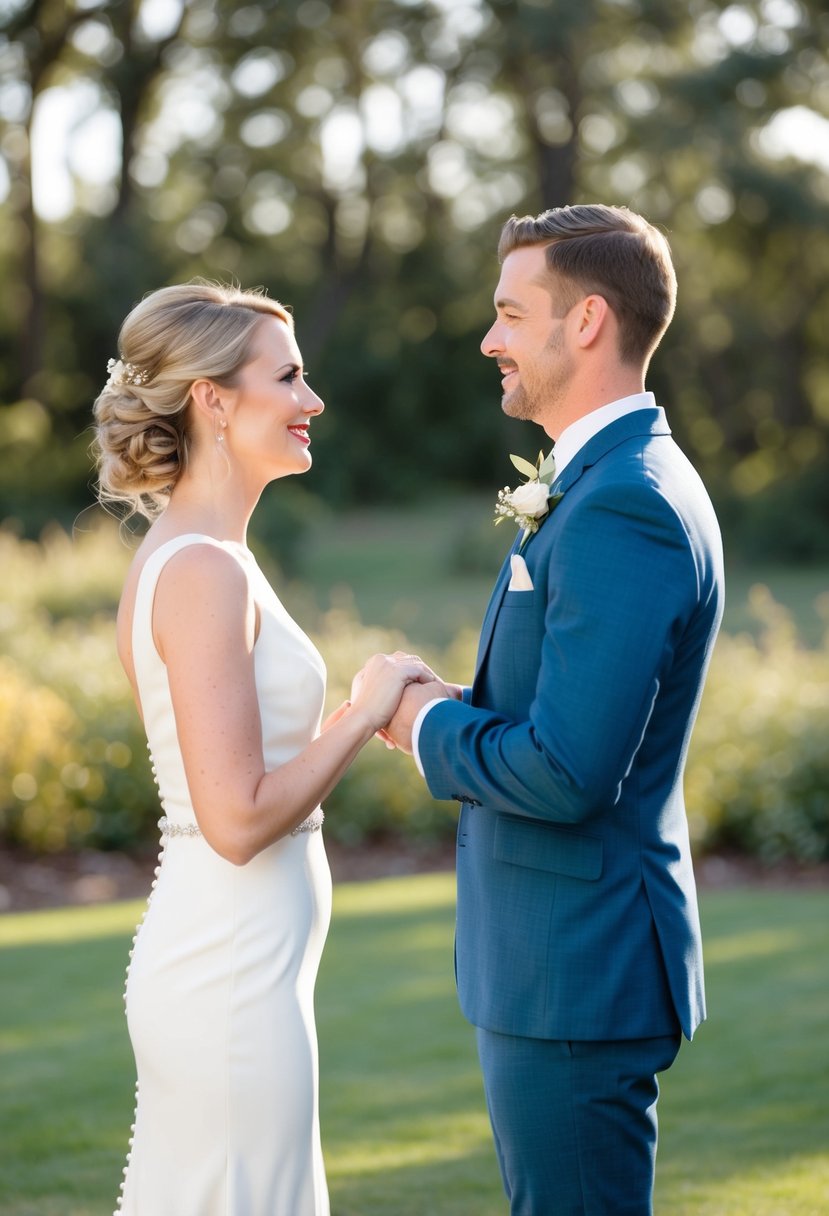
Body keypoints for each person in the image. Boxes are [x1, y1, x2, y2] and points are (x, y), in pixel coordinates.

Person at [382, 205, 724, 1215]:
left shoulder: (625, 501)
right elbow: (567, 711)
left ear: (584, 321)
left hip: (578, 967)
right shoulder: (606, 480)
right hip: (562, 959)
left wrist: (422, 729)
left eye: (507, 313)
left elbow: (572, 771)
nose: (488, 338)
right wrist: (463, 701)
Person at [92, 281, 433, 1216]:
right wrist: (363, 716)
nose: (311, 400)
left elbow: (247, 776)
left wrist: (367, 712)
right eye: (287, 376)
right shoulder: (201, 568)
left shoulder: (208, 554)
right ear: (213, 399)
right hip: (227, 979)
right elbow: (236, 820)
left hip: (244, 971)